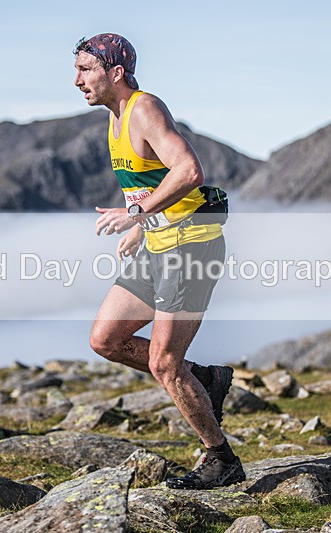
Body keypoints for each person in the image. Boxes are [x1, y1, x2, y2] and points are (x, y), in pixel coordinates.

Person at [73, 33, 245, 489]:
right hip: (157, 244)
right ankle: (205, 379)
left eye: (86, 70)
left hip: (190, 247)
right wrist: (140, 226)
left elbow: (189, 171)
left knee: (165, 363)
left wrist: (135, 214)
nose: (77, 80)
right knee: (105, 339)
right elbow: (153, 182)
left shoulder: (144, 109)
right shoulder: (115, 119)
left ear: (116, 73)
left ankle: (222, 459)